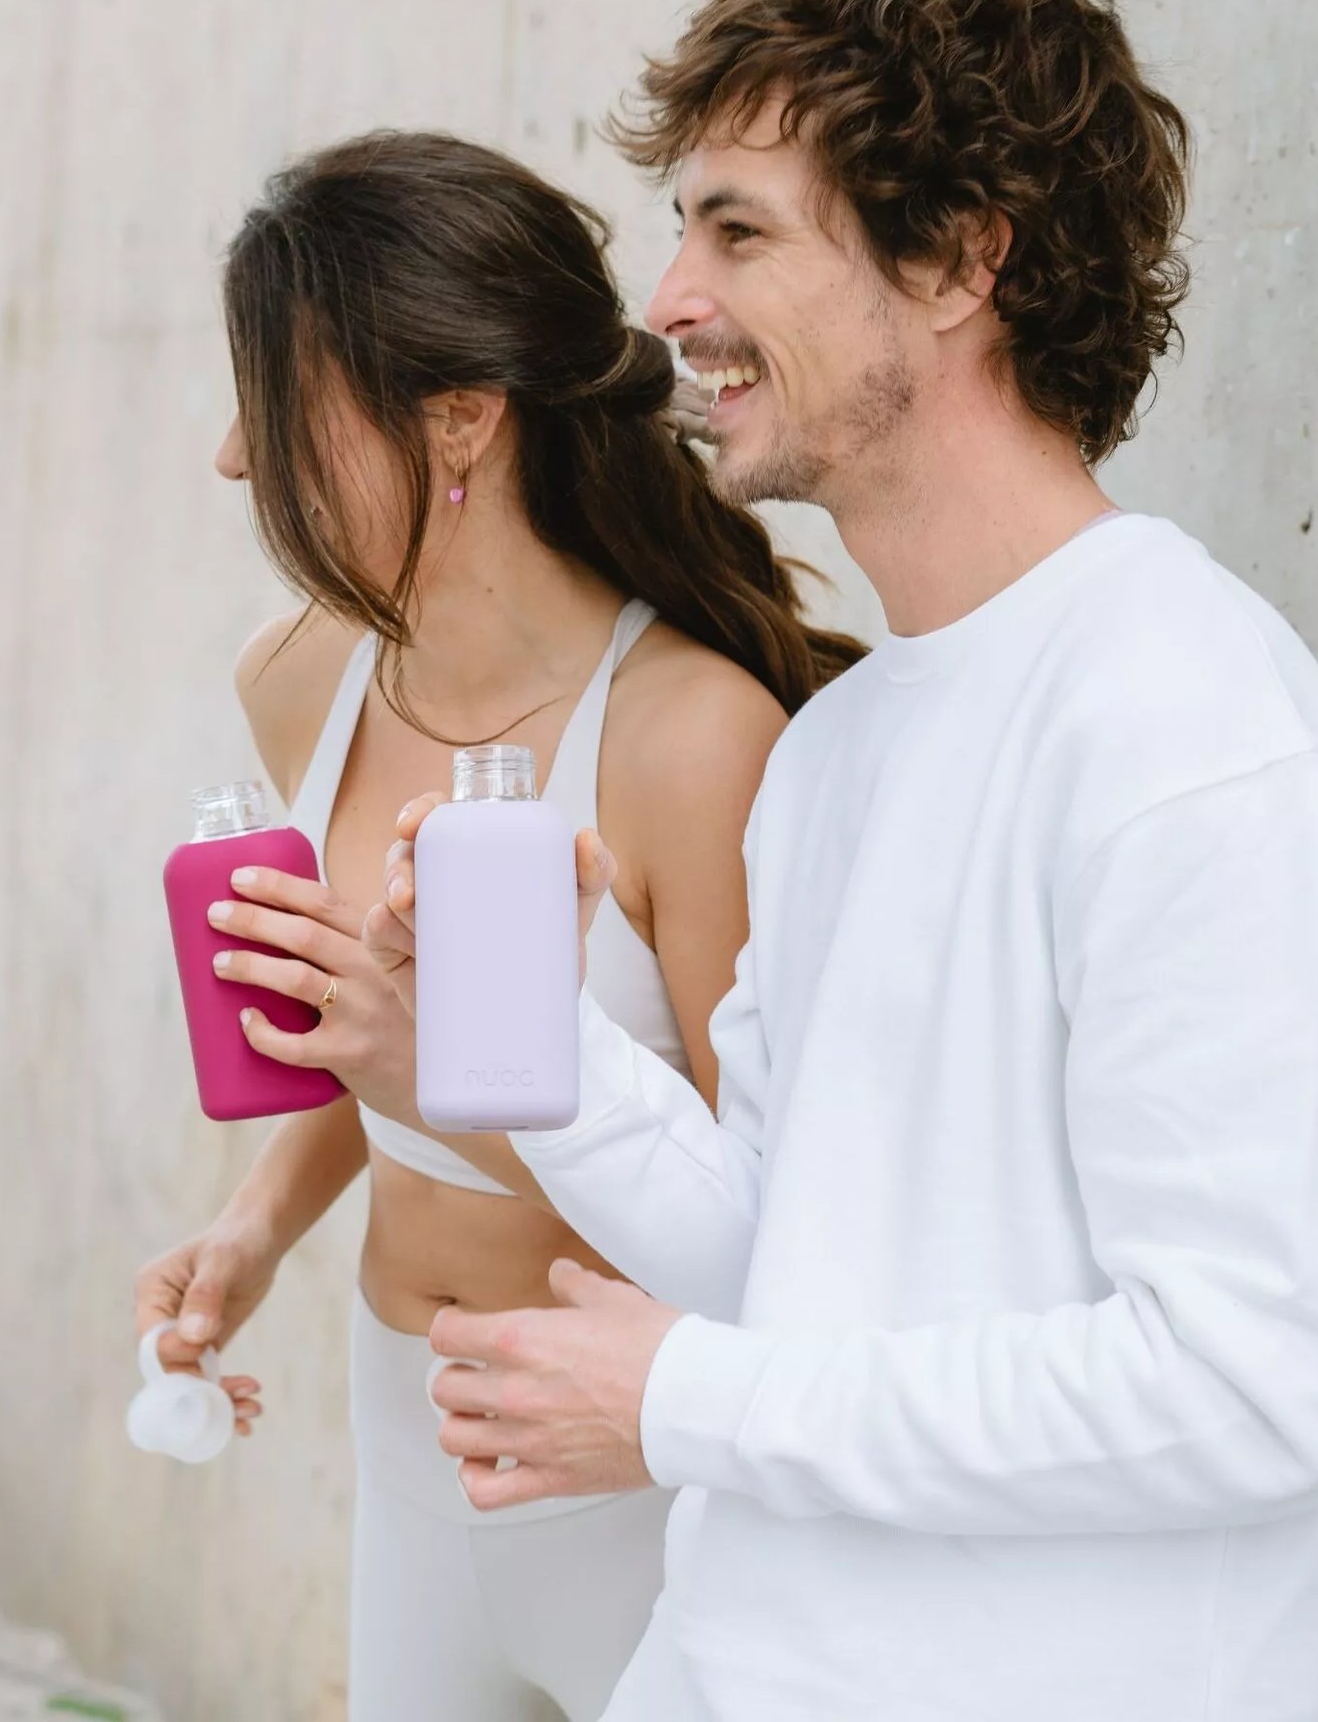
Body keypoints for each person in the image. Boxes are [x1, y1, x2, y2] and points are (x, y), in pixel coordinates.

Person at [354, 0, 1318, 1720]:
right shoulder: (847, 742)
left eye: (738, 229)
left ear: (959, 258)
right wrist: (524, 1043)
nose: (668, 301)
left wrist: (683, 1405)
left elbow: (1262, 1388)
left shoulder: (1193, 732)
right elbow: (791, 1257)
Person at [132, 129, 861, 1721]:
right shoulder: (300, 681)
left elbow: (772, 1222)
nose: (232, 460)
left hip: (631, 1483)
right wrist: (258, 1227)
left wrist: (417, 1067)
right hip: (405, 1433)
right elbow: (365, 1045)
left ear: (460, 416)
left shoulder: (692, 740)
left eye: (272, 402)